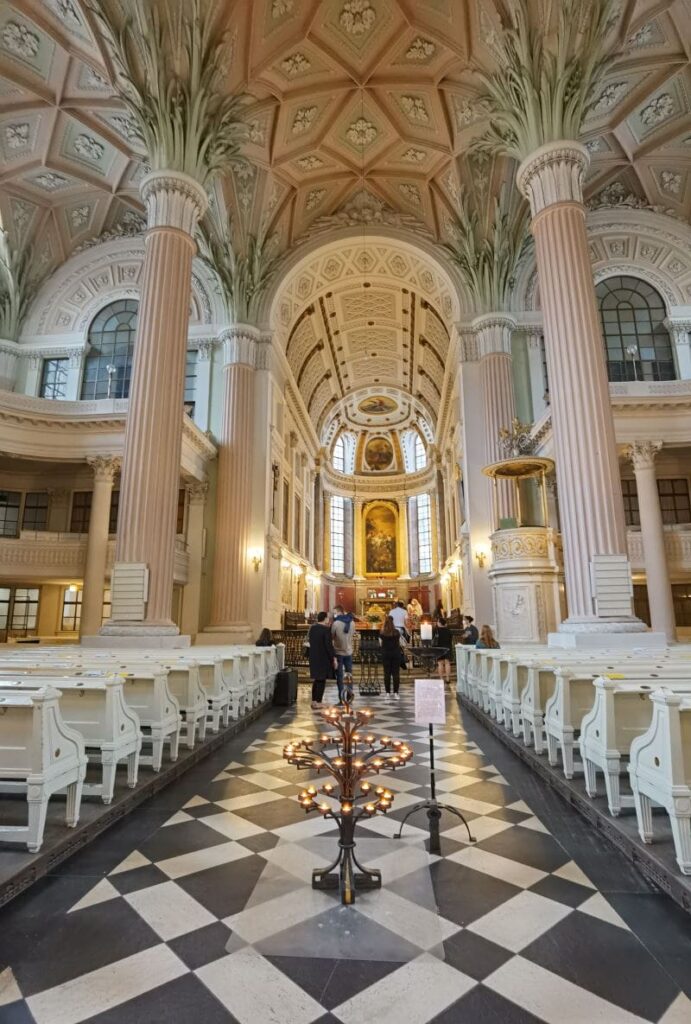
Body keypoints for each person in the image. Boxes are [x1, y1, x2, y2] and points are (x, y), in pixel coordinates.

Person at [308, 612, 337, 709]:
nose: (328, 619)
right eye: (328, 618)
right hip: (323, 657)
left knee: (316, 679)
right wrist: (333, 658)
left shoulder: (312, 628)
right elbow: (328, 646)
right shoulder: (326, 630)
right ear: (325, 619)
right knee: (321, 680)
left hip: (314, 657)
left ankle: (314, 701)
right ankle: (319, 702)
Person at [331, 604, 356, 706]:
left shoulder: (336, 623)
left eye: (335, 612)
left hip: (338, 652)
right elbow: (352, 634)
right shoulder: (352, 622)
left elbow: (331, 637)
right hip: (349, 651)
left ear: (338, 612)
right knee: (349, 675)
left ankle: (341, 699)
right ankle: (349, 697)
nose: (334, 614)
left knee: (340, 677)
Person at [379, 615, 402, 699]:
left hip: (386, 654)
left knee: (387, 674)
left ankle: (387, 693)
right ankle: (396, 693)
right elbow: (399, 642)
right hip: (396, 654)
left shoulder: (382, 633)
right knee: (396, 674)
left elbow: (380, 644)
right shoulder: (397, 632)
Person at [434, 616, 452, 684]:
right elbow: (450, 639)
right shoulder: (448, 630)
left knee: (440, 664)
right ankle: (448, 679)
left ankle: (441, 679)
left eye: (438, 621)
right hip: (447, 647)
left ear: (440, 623)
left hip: (439, 648)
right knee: (447, 663)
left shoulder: (436, 630)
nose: (437, 623)